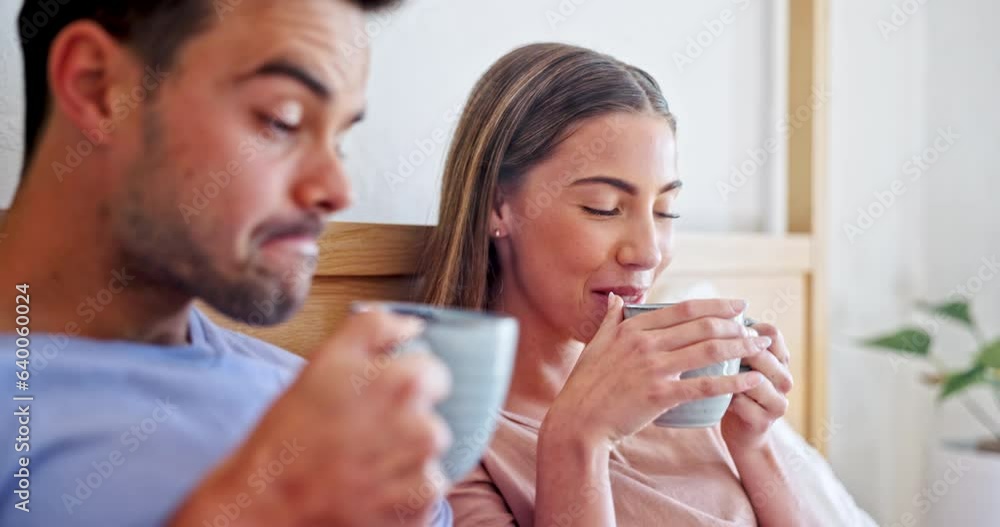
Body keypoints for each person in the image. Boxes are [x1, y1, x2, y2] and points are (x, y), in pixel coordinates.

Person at [0, 1, 454, 525]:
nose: (338, 190)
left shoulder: (308, 400)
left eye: (341, 139)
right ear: (97, 87)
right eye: (282, 120)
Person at [420, 43, 876, 526]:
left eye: (665, 211)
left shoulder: (688, 399)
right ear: (498, 207)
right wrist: (578, 441)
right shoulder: (449, 443)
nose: (648, 252)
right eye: (603, 207)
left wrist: (754, 446)